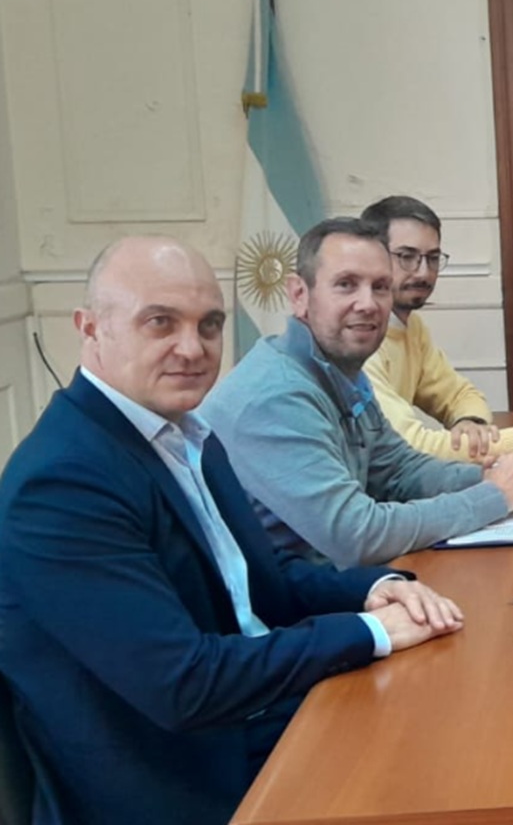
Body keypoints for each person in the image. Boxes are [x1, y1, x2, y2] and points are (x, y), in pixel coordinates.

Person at [0, 237, 464, 825]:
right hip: (183, 781)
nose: (192, 348)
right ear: (90, 328)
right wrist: (367, 632)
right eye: (160, 322)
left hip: (251, 718)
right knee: (448, 769)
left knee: (457, 708)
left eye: (210, 324)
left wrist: (375, 590)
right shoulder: (63, 481)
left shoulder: (187, 435)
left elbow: (259, 580)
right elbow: (184, 684)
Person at [201, 217, 513, 568]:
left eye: (380, 287)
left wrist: (484, 476)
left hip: (331, 583)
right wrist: (493, 496)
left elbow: (399, 471)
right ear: (299, 295)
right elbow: (357, 536)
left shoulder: (340, 368)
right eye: (346, 284)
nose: (367, 304)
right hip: (284, 597)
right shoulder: (273, 397)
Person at [359, 195, 513, 461]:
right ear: (372, 257)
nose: (423, 272)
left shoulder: (410, 327)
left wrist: (469, 422)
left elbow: (460, 394)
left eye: (432, 258)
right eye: (406, 257)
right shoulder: (360, 341)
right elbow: (410, 448)